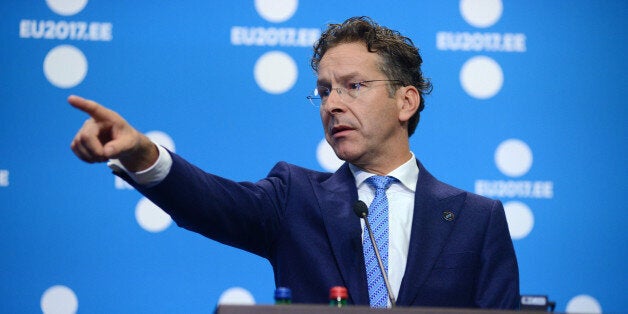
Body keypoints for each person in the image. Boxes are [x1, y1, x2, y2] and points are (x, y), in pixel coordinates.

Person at [69, 16, 519, 309]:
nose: (332, 104)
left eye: (353, 86)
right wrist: (140, 153)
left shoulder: (476, 219)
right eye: (324, 91)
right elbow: (209, 202)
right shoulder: (294, 197)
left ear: (405, 101)